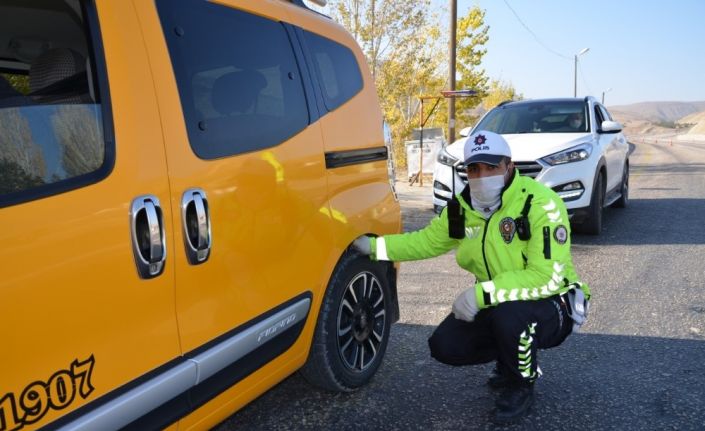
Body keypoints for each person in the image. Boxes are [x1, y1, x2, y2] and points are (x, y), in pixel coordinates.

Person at [352, 130, 590, 424]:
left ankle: (521, 385)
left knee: (511, 318)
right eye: (474, 168)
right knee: (445, 345)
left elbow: (546, 278)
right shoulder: (461, 208)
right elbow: (425, 242)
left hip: (552, 303)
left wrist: (480, 295)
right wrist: (374, 247)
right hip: (500, 300)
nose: (482, 176)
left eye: (492, 167)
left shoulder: (541, 205)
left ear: (509, 166)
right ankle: (509, 357)